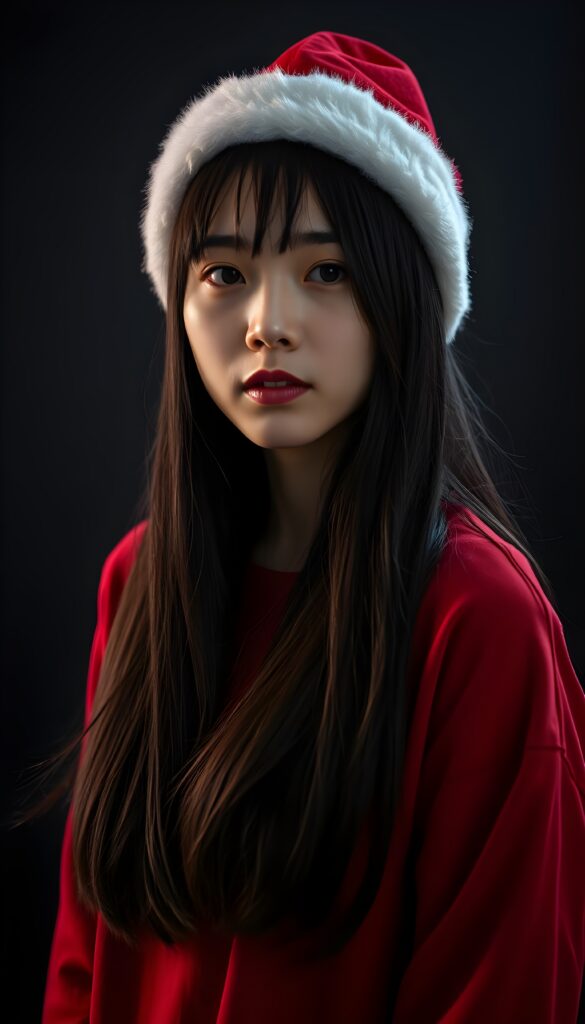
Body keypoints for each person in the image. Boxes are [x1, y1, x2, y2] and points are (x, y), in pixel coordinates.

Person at [28, 29, 584, 1023]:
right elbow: (85, 963)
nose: (266, 322)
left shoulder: (480, 622)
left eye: (325, 272)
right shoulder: (141, 580)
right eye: (224, 273)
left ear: (401, 302)